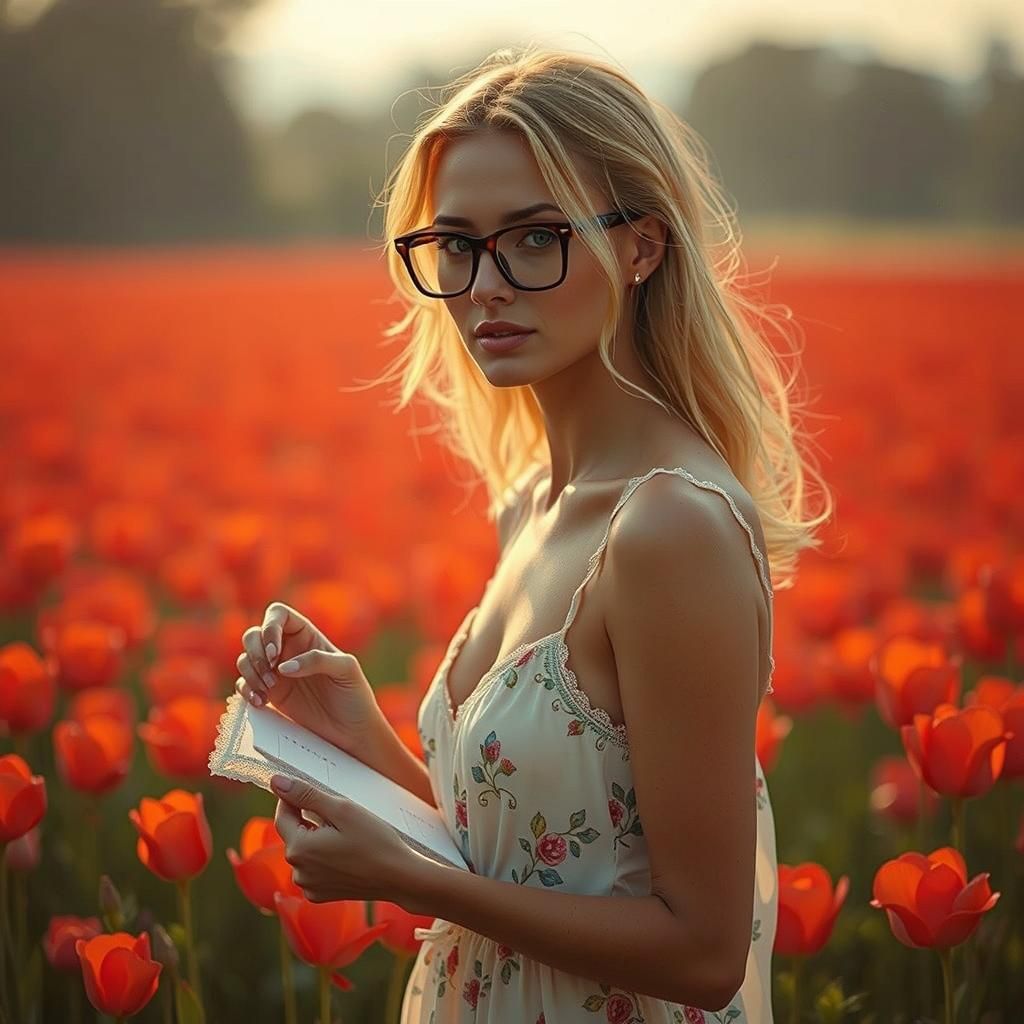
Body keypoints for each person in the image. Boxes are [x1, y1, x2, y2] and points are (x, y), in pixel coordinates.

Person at [235, 43, 831, 1024]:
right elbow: (548, 851)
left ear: (642, 246)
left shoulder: (667, 527)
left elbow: (703, 946)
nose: (484, 285)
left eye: (534, 237)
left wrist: (418, 884)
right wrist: (363, 740)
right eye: (456, 244)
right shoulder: (531, 502)